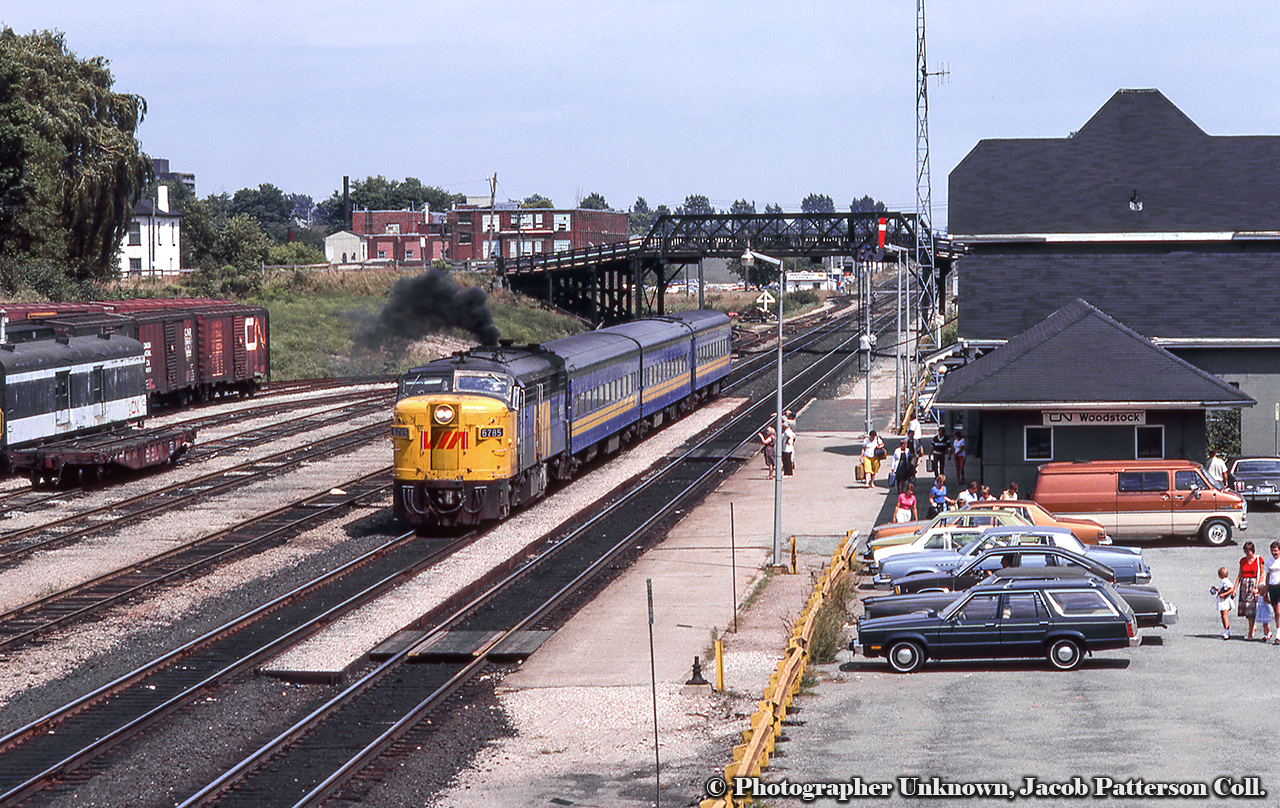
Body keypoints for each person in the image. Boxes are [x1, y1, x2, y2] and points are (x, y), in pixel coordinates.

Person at [1237, 542, 1263, 639]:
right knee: (1246, 609)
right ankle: (1252, 627)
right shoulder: (1243, 560)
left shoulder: (1258, 559)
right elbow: (1240, 574)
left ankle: (1250, 632)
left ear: (1252, 551)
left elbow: (1262, 573)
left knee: (1251, 608)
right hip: (1244, 586)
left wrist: (1257, 587)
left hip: (1253, 585)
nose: (1247, 553)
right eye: (1245, 551)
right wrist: (1235, 588)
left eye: (1248, 551)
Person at [1213, 566, 1236, 640]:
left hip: (1225, 601)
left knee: (1224, 616)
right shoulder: (1223, 581)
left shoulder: (1225, 581)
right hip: (1223, 601)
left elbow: (1231, 589)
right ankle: (1225, 630)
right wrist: (1216, 590)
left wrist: (1223, 594)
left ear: (1219, 575)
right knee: (1223, 615)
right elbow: (1223, 589)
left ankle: (1226, 631)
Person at [1265, 542, 1280, 646]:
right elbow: (1267, 577)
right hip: (1272, 587)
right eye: (1272, 550)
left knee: (1279, 612)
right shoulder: (1269, 562)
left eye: (1276, 550)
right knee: (1276, 612)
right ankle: (1278, 631)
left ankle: (1278, 635)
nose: (1274, 552)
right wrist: (1265, 591)